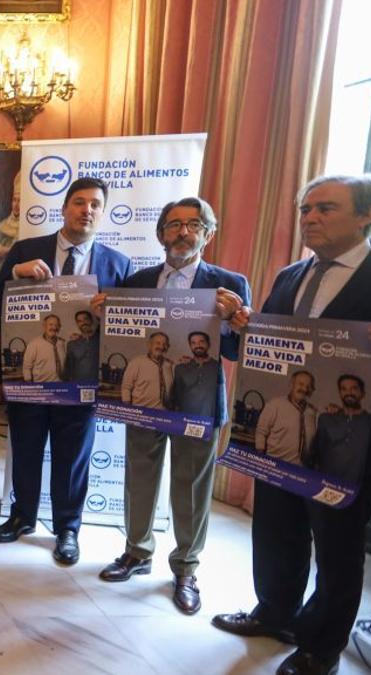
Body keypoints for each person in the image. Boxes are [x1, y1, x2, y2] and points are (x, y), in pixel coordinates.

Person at [212, 173, 371, 675]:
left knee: (336, 545)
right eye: (305, 209)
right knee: (276, 526)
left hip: (350, 440)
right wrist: (245, 325)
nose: (310, 218)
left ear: (367, 216)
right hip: (282, 430)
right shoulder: (289, 275)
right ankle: (275, 611)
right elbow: (270, 346)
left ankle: (320, 645)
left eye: (326, 208)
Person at [92, 196, 250, 616]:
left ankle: (185, 567)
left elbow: (235, 352)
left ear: (208, 233)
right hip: (146, 400)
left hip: (197, 404)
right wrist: (101, 316)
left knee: (192, 487)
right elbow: (121, 340)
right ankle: (137, 551)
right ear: (160, 233)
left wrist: (238, 323)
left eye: (194, 224)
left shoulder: (229, 284)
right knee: (139, 478)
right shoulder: (137, 280)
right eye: (174, 224)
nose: (183, 232)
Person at [0, 176, 132, 565]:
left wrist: (111, 314)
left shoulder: (118, 265)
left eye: (96, 205)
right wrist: (14, 275)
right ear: (65, 208)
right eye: (80, 202)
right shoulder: (26, 249)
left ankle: (68, 528)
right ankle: (23, 516)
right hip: (31, 379)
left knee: (72, 458)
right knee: (27, 450)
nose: (87, 210)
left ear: (102, 213)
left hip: (81, 383)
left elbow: (128, 335)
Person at [306, 375, 371, 486]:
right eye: (344, 389)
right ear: (340, 393)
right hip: (323, 487)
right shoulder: (326, 419)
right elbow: (314, 455)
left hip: (356, 493)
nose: (348, 392)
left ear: (363, 393)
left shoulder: (370, 423)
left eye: (354, 388)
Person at [255, 371, 318, 466]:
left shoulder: (313, 412)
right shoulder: (274, 405)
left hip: (302, 470)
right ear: (291, 384)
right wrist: (262, 461)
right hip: (275, 465)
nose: (305, 389)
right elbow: (261, 431)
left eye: (308, 386)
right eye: (301, 384)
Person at [169, 331, 220, 416]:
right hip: (185, 419)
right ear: (190, 346)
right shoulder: (180, 368)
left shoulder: (218, 368)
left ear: (208, 344)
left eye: (201, 342)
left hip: (209, 421)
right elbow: (176, 398)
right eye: (193, 343)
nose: (198, 345)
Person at [119, 332, 174, 410]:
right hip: (142, 412)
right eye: (158, 343)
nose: (161, 347)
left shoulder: (169, 365)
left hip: (164, 414)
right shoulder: (136, 362)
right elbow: (126, 388)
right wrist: (129, 412)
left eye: (165, 344)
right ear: (149, 345)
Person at [21, 314, 66, 382]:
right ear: (44, 326)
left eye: (56, 325)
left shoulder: (62, 343)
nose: (54, 327)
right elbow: (27, 367)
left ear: (59, 327)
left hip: (61, 385)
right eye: (50, 324)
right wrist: (30, 385)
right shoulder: (34, 344)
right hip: (42, 386)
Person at [63, 310, 99, 382]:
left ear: (91, 320)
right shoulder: (71, 344)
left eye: (86, 319)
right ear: (77, 324)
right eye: (79, 321)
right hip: (77, 384)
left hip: (97, 385)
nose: (83, 323)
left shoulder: (100, 339)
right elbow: (68, 368)